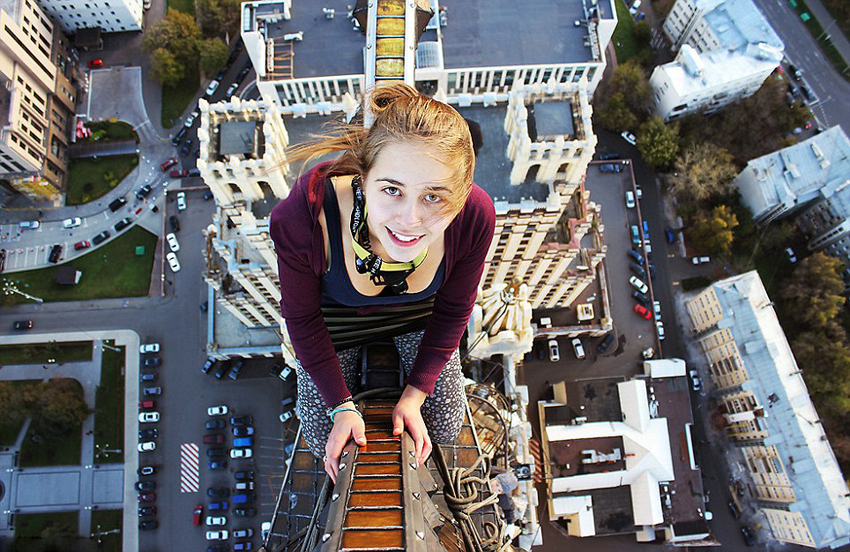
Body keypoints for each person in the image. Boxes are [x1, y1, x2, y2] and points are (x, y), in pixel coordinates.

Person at [270, 83, 495, 482]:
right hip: (335, 322)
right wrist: (341, 406)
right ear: (362, 176)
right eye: (392, 190)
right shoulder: (304, 217)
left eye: (434, 197)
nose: (409, 220)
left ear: (461, 199)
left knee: (443, 425)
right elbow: (302, 319)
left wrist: (415, 395)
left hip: (418, 316)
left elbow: (454, 310)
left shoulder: (475, 216)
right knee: (321, 432)